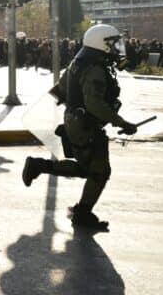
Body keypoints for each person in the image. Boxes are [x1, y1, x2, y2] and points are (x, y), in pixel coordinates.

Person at [22, 24, 139, 231]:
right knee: (99, 172)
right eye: (112, 44)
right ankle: (81, 213)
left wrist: (73, 114)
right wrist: (121, 122)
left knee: (91, 170)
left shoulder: (79, 62)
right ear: (101, 44)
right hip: (85, 125)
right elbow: (94, 103)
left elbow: (61, 89)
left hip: (77, 121)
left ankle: (41, 169)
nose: (116, 48)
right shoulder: (95, 69)